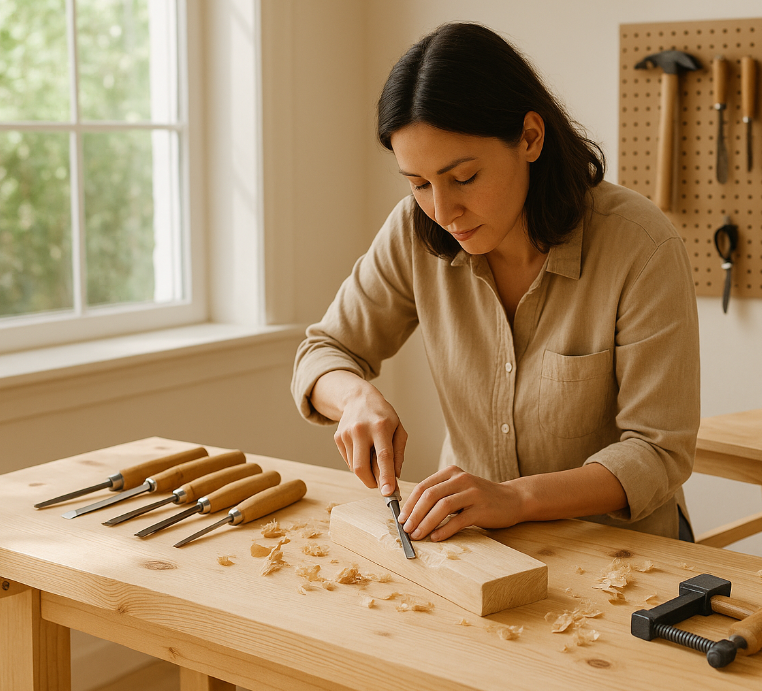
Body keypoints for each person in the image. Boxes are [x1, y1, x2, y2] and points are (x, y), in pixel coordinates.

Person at [291, 22, 699, 543]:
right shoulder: (413, 231)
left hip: (618, 550)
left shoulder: (640, 244)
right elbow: (322, 352)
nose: (442, 211)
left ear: (530, 137)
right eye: (418, 184)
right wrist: (352, 399)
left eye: (463, 179)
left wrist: (516, 498)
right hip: (473, 544)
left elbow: (658, 450)